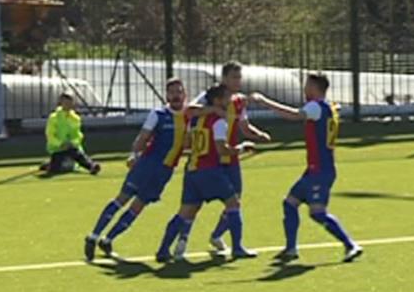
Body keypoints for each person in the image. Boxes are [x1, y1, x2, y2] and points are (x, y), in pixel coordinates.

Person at [250, 73, 363, 263]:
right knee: (290, 203)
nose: (304, 89)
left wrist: (264, 101)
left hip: (320, 171)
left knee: (317, 213)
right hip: (314, 169)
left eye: (307, 86)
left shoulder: (315, 107)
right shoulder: (326, 107)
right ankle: (291, 249)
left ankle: (351, 244)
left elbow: (293, 115)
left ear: (315, 88)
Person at [84, 78, 189, 261]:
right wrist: (134, 154)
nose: (176, 96)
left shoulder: (190, 116)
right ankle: (93, 236)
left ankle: (108, 240)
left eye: (179, 92)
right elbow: (142, 138)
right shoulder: (158, 114)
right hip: (146, 166)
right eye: (172, 92)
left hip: (164, 172)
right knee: (122, 198)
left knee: (138, 206)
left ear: (185, 94)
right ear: (166, 95)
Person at [177, 61, 271, 257]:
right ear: (224, 78)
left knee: (235, 200)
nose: (238, 81)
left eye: (239, 77)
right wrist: (212, 110)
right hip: (209, 158)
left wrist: (259, 135)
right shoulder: (210, 96)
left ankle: (218, 235)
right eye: (234, 77)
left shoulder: (237, 101)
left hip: (230, 158)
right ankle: (182, 241)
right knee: (195, 205)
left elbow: (244, 127)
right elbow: (189, 111)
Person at [156, 84, 257, 263]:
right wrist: (241, 148)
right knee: (233, 203)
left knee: (184, 213)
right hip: (210, 171)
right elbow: (222, 150)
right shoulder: (219, 122)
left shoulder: (195, 120)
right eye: (227, 98)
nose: (230, 101)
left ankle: (163, 249)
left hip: (192, 171)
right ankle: (238, 248)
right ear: (217, 101)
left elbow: (187, 143)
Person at [41, 92, 101, 176]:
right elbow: (50, 135)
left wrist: (73, 143)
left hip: (71, 147)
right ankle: (48, 165)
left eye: (70, 103)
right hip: (57, 149)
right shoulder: (53, 117)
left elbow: (78, 135)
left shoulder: (75, 118)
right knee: (56, 167)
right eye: (66, 103)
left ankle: (92, 166)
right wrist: (60, 144)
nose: (68, 105)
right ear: (61, 103)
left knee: (79, 156)